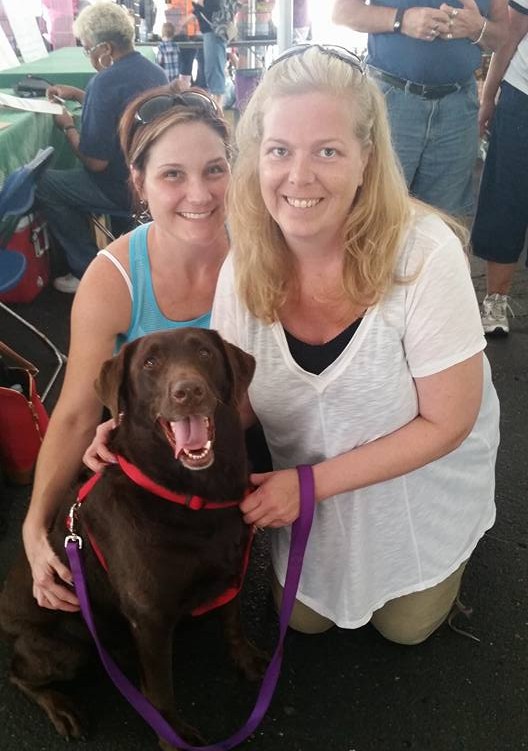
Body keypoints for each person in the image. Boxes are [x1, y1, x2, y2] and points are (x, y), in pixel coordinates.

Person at [210, 45, 500, 642]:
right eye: (279, 151)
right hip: (306, 492)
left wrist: (309, 486)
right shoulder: (242, 268)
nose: (299, 176)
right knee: (305, 622)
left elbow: (448, 423)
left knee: (405, 630)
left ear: (367, 158)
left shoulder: (424, 254)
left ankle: (459, 551)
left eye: (328, 151)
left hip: (414, 483)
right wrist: (148, 435)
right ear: (256, 159)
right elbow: (232, 408)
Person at [22, 85, 232, 612]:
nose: (200, 194)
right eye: (172, 175)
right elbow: (72, 415)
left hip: (253, 438)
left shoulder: (262, 249)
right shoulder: (114, 278)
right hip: (171, 454)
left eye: (214, 169)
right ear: (138, 184)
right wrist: (33, 526)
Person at [36, 1, 167, 295]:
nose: (88, 55)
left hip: (119, 188)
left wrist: (68, 126)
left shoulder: (104, 82)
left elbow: (96, 163)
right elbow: (125, 109)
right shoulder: (154, 72)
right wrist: (83, 95)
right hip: (150, 183)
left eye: (87, 48)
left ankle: (85, 269)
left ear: (105, 49)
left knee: (44, 183)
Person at [332, 0, 509, 217]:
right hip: (390, 101)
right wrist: (401, 20)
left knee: (444, 217)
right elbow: (342, 13)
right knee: (375, 211)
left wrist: (478, 28)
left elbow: (501, 38)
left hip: (458, 107)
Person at [471, 1, 528, 335]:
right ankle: (495, 300)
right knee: (505, 197)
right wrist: (489, 98)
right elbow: (510, 35)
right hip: (523, 98)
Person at [191, 0, 228, 107]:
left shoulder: (211, 4)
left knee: (213, 70)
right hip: (212, 34)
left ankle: (218, 108)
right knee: (212, 70)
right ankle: (217, 106)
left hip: (213, 33)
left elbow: (212, 9)